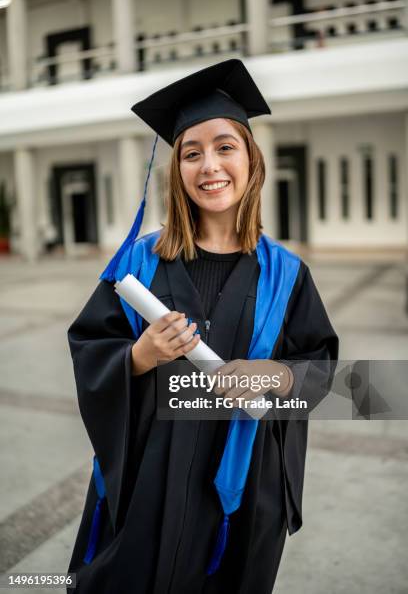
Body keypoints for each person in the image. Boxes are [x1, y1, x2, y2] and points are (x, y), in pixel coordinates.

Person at [67, 59, 338, 594]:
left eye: (224, 147)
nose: (209, 165)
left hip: (241, 488)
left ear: (252, 162)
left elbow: (325, 372)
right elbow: (90, 348)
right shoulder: (138, 266)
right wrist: (140, 356)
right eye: (191, 153)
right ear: (178, 171)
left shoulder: (286, 273)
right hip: (151, 477)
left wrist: (273, 378)